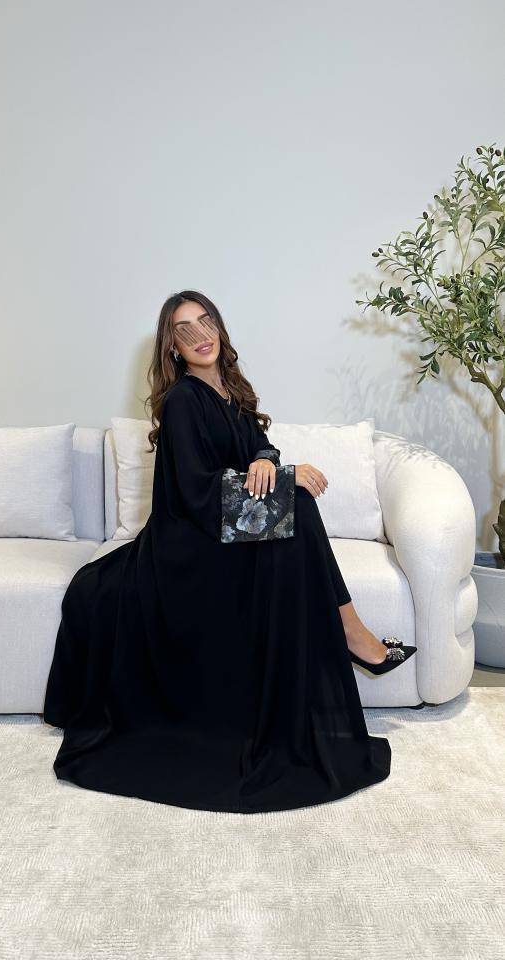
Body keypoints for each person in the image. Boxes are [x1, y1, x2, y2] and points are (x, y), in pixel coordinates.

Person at [43, 290, 416, 813]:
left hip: (221, 529)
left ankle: (352, 633)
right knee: (298, 505)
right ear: (172, 347)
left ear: (218, 326)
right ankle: (353, 632)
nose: (200, 336)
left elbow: (256, 445)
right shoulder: (182, 401)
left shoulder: (230, 390)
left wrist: (266, 461)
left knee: (297, 511)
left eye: (205, 321)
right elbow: (195, 492)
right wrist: (283, 477)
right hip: (187, 543)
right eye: (184, 330)